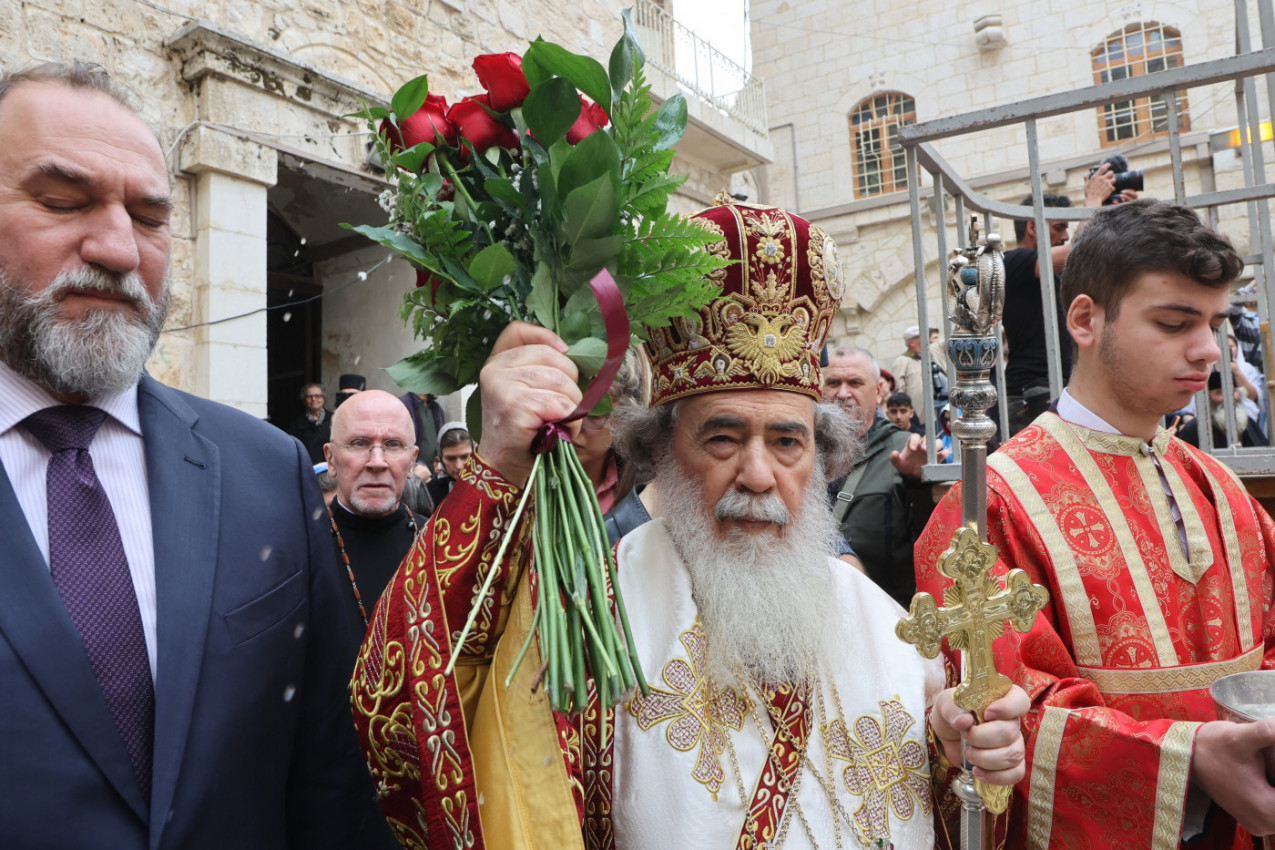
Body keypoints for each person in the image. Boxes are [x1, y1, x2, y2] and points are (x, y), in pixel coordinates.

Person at [352, 197, 1028, 849]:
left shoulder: (893, 631)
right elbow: (411, 733)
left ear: (819, 459)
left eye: (786, 443)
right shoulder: (590, 621)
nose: (759, 476)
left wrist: (957, 763)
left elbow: (953, 819)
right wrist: (497, 466)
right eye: (724, 440)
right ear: (662, 453)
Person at [0, 62, 384, 848]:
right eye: (62, 201)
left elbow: (332, 777)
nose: (116, 248)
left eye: (148, 217)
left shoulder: (265, 472)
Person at [917, 199, 1275, 847]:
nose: (1207, 351)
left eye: (1215, 323)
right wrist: (1189, 756)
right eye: (1172, 322)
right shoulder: (989, 503)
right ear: (1083, 318)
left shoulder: (1221, 489)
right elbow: (999, 711)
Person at [1000, 166, 1130, 436]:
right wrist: (1091, 203)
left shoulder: (1061, 274)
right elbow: (1079, 252)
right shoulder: (1012, 261)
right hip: (1032, 391)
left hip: (1062, 386)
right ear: (1033, 227)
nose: (1065, 235)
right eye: (1059, 227)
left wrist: (1120, 219)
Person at [823, 346, 934, 606]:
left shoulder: (909, 449)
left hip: (885, 616)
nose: (842, 393)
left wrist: (918, 484)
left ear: (878, 391)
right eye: (833, 383)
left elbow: (934, 545)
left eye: (854, 382)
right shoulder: (798, 450)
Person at [323, 390, 428, 642]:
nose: (377, 462)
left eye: (393, 444)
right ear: (331, 459)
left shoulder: (438, 543)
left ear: (412, 461)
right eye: (359, 443)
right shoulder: (299, 545)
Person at [1176, 368, 1267, 449]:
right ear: (1208, 399)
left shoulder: (1248, 423)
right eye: (1219, 393)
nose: (1228, 398)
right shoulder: (1194, 429)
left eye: (1233, 391)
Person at [424, 420, 473, 507]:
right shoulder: (430, 492)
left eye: (465, 457)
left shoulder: (490, 488)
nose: (458, 466)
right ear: (441, 457)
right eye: (450, 458)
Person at [889, 325, 927, 426]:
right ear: (912, 343)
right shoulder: (902, 361)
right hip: (915, 418)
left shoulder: (925, 359)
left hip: (932, 414)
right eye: (921, 338)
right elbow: (897, 389)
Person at [286, 381, 331, 463]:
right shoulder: (296, 425)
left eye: (317, 396)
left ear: (323, 398)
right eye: (309, 396)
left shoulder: (332, 419)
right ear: (304, 400)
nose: (313, 399)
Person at [400, 390, 444, 469]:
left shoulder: (437, 408)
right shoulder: (404, 405)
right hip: (414, 472)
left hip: (434, 473)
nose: (440, 387)